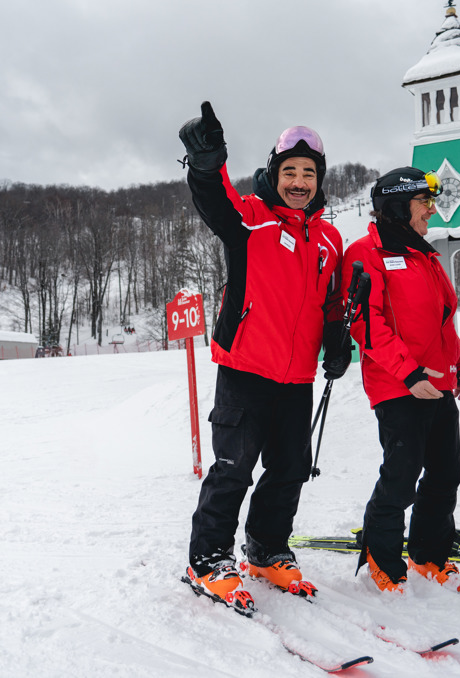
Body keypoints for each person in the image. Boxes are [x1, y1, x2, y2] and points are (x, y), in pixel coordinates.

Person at [178, 102, 351, 610]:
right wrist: (208, 162)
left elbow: (334, 300)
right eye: (290, 171)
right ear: (274, 173)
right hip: (245, 370)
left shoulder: (329, 238)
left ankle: (267, 549)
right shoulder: (252, 219)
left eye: (309, 173)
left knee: (291, 469)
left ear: (319, 181)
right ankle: (207, 559)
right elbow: (216, 201)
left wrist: (338, 341)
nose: (299, 181)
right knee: (233, 468)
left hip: (297, 379)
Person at [344, 167, 460, 593]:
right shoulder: (364, 253)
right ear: (399, 207)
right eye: (425, 203)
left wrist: (459, 367)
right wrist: (409, 372)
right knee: (401, 476)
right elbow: (366, 324)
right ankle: (382, 558)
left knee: (444, 474)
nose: (432, 212)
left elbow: (442, 324)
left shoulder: (426, 255)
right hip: (397, 385)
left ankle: (428, 553)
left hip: (436, 384)